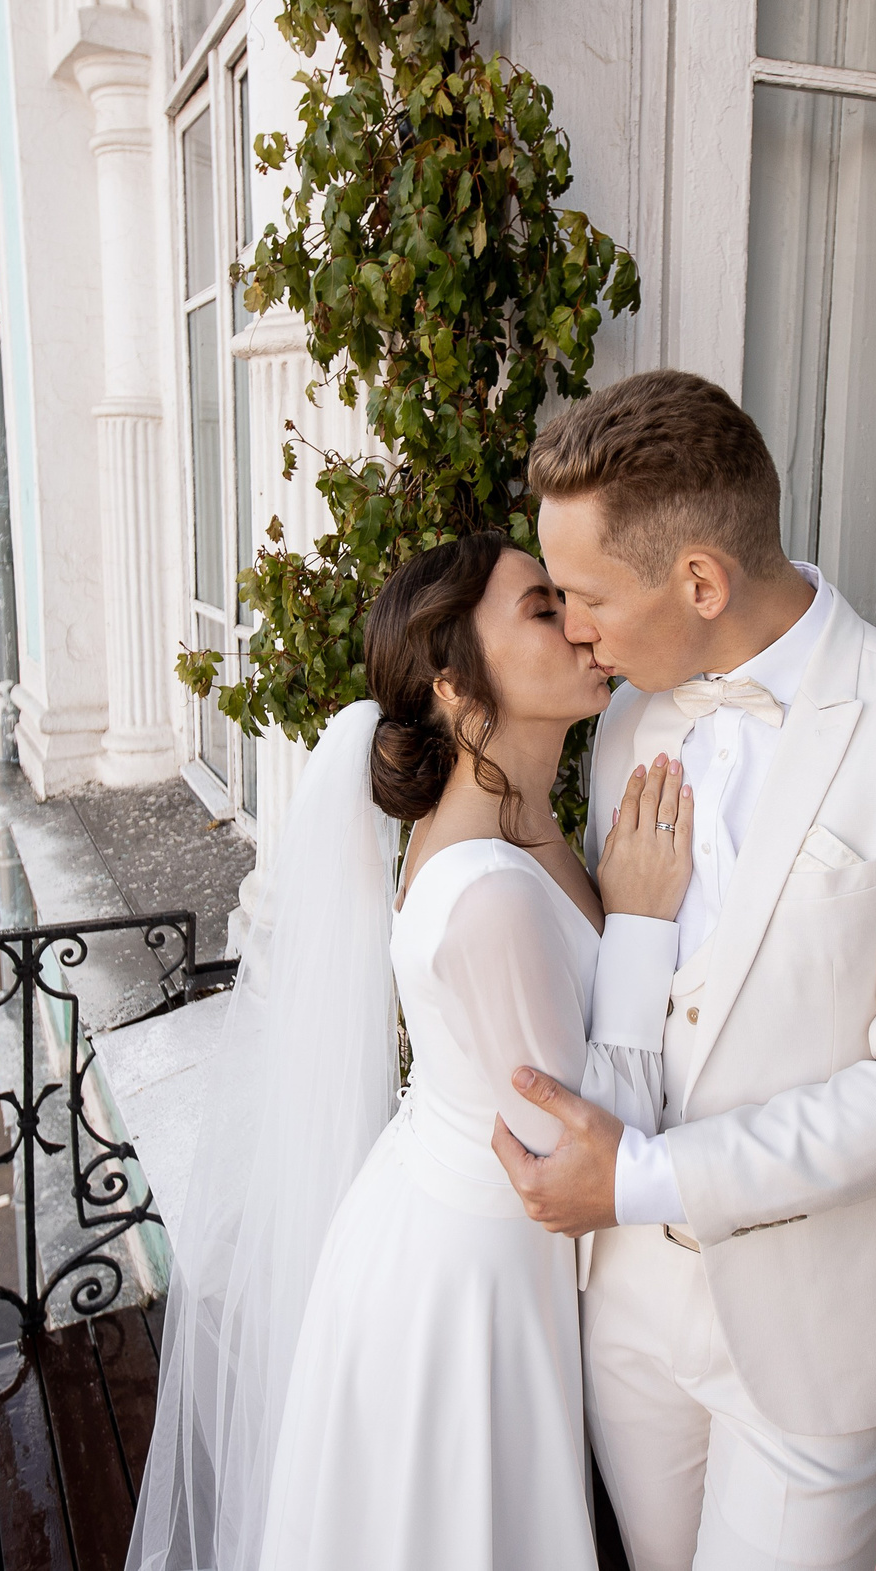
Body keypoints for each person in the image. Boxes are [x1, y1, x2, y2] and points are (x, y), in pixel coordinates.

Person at [494, 370, 876, 1571]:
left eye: (585, 596)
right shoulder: (634, 724)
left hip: (819, 1320)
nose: (569, 626)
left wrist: (638, 1178)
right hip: (630, 1307)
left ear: (700, 580)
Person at [127, 529, 689, 1571]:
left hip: (462, 1239)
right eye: (539, 607)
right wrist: (647, 922)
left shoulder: (520, 834)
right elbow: (575, 1151)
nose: (578, 623)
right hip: (466, 1281)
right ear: (456, 686)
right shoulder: (482, 890)